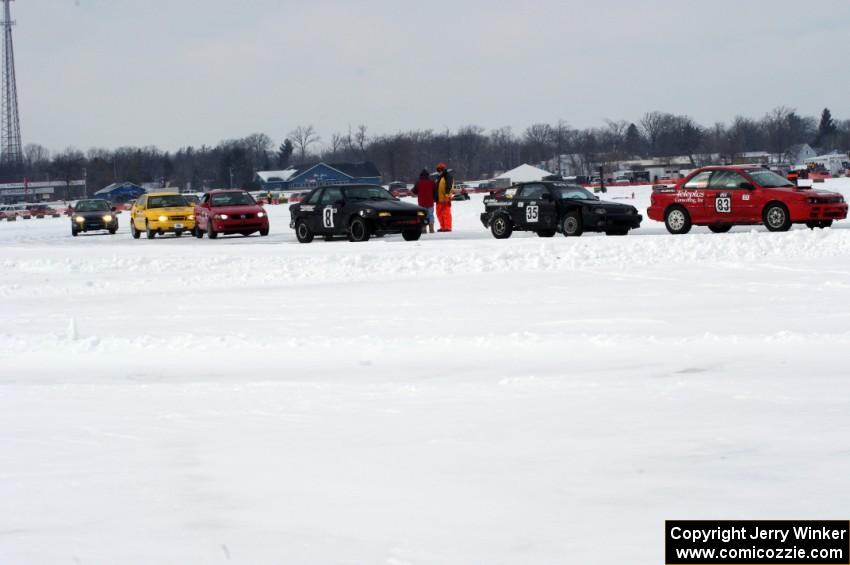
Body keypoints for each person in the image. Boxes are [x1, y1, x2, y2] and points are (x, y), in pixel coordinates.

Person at [412, 169, 436, 233]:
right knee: (431, 215)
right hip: (430, 202)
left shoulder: (418, 182)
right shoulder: (432, 182)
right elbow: (435, 191)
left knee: (422, 215)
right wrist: (433, 198)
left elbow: (414, 191)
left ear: (421, 175)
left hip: (421, 203)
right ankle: (431, 229)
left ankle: (423, 228)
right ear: (428, 175)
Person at [435, 163, 454, 232]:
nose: (439, 171)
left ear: (444, 169)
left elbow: (449, 186)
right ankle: (442, 227)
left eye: (441, 170)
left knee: (446, 213)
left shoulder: (448, 176)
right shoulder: (438, 178)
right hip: (438, 199)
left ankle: (447, 227)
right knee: (439, 213)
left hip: (445, 198)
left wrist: (447, 195)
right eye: (438, 170)